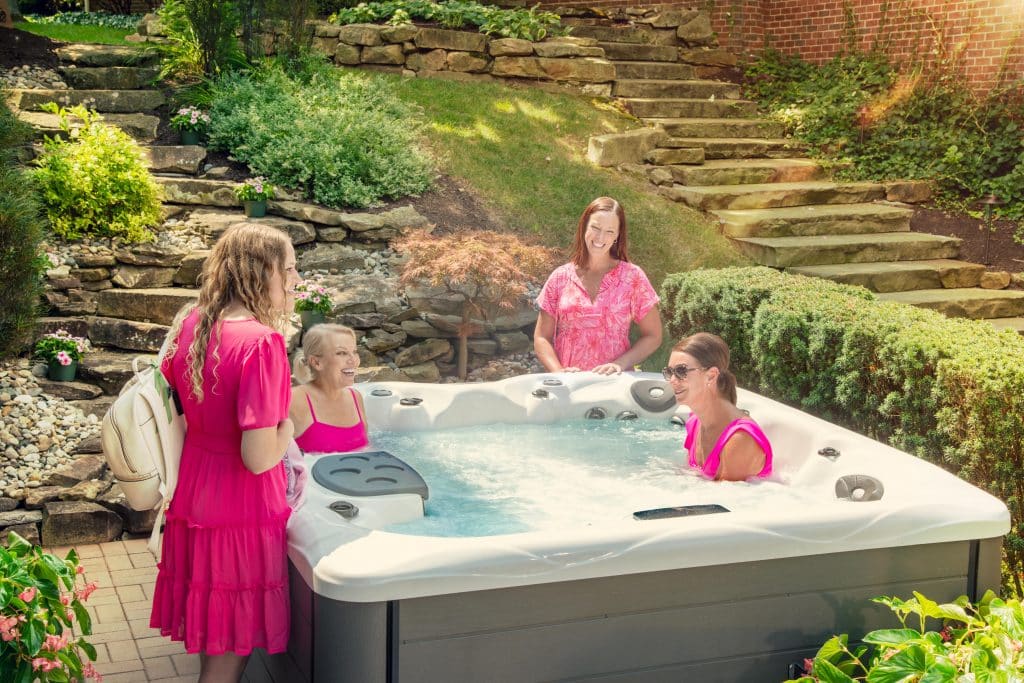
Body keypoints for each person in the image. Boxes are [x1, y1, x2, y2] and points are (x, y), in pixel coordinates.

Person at [150, 224, 300, 682]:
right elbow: (257, 457)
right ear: (262, 272)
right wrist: (288, 427)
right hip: (240, 505)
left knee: (216, 633)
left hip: (196, 493)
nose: (296, 280)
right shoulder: (262, 343)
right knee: (230, 643)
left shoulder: (195, 322)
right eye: (290, 269)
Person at [534, 197, 662, 375]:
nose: (600, 237)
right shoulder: (560, 278)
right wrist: (559, 373)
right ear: (584, 226)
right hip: (569, 388)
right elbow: (541, 337)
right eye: (595, 227)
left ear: (618, 235)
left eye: (610, 231)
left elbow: (653, 335)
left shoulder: (632, 277)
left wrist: (620, 364)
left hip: (614, 387)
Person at [665, 332, 773, 481]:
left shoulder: (740, 440)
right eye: (669, 372)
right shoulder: (695, 422)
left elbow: (724, 500)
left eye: (681, 371)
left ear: (711, 376)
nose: (672, 380)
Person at [291, 324, 369, 454]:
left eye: (354, 352)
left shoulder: (355, 397)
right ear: (316, 362)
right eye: (342, 353)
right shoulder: (296, 400)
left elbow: (366, 451)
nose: (353, 361)